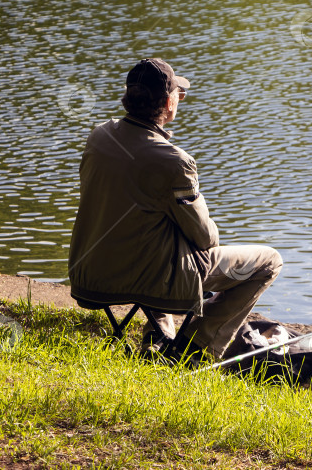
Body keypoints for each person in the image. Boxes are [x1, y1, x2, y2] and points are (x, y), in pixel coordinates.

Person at [68, 58, 283, 362]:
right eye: (178, 96)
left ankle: (158, 340)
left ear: (129, 96)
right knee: (270, 261)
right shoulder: (174, 160)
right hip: (147, 277)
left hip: (91, 275)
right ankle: (195, 347)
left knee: (159, 237)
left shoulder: (99, 136)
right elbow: (206, 237)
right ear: (169, 103)